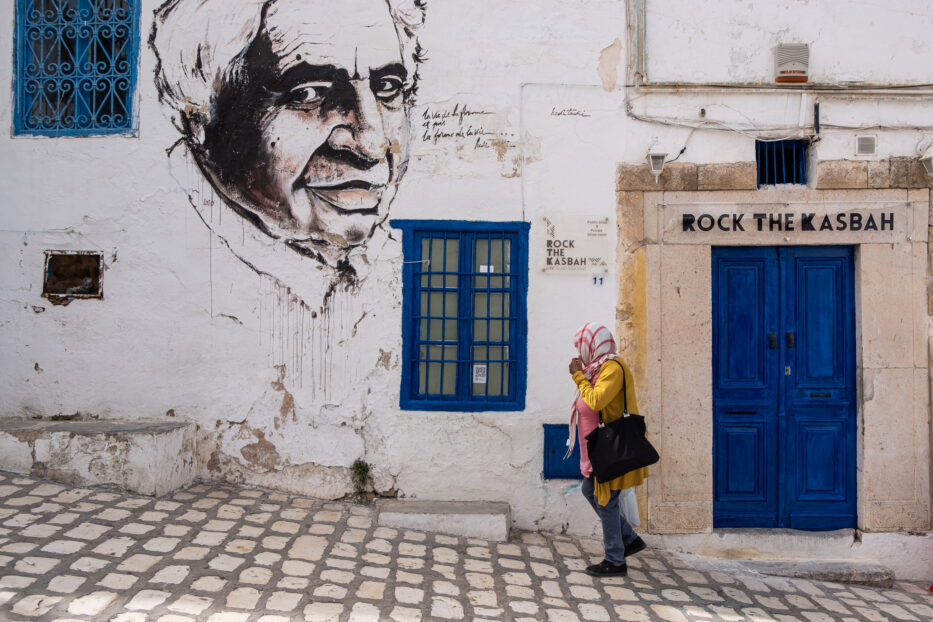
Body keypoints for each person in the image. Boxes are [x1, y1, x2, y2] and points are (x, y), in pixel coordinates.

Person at [151, 0, 426, 279]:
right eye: (308, 94)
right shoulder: (171, 262)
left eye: (388, 87)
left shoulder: (391, 262)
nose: (372, 145)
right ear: (200, 119)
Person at [567, 323, 649, 577]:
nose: (581, 354)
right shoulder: (599, 368)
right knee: (590, 490)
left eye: (582, 348)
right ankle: (628, 538)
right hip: (598, 447)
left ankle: (615, 560)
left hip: (610, 446)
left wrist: (578, 376)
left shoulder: (612, 369)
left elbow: (596, 400)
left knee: (606, 500)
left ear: (593, 345)